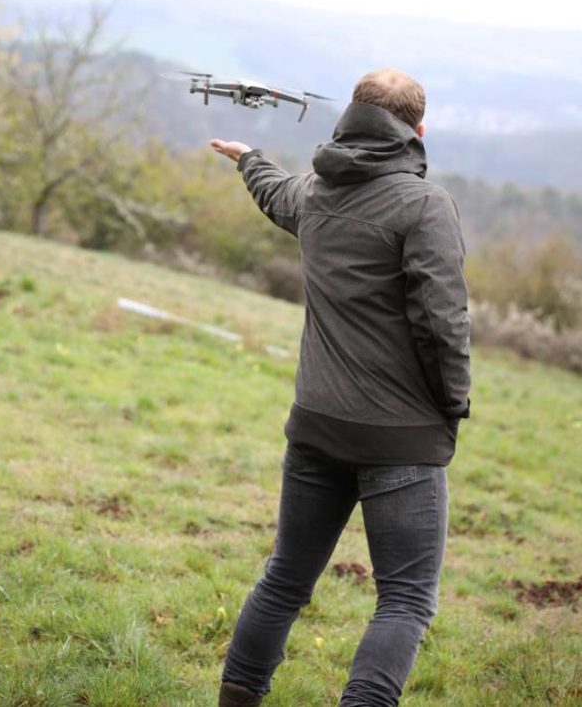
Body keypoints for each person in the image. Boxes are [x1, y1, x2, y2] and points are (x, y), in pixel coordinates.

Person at [209, 68, 471, 707]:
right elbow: (442, 320)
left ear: (352, 117)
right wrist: (453, 406)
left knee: (285, 580)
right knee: (405, 599)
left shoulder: (319, 192)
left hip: (316, 425)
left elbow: (277, 193)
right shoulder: (423, 204)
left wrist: (250, 160)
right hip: (401, 438)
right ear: (417, 131)